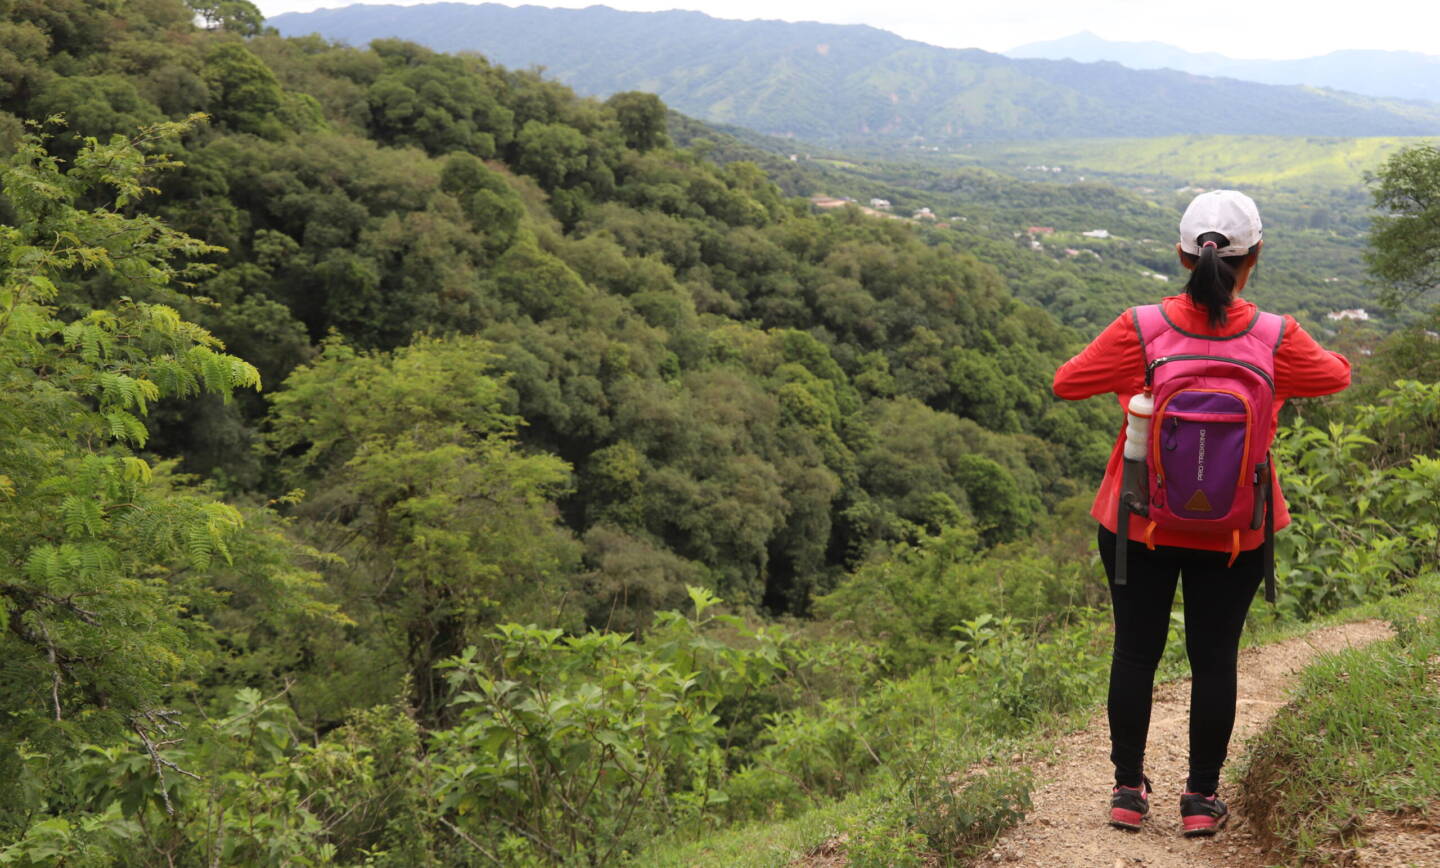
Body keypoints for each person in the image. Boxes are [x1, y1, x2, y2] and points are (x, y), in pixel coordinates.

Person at [1051, 190, 1350, 836]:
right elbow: (1337, 377)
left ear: (1182, 256)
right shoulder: (1276, 337)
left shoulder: (1141, 328)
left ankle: (1128, 793)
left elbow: (1066, 381)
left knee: (1135, 653)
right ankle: (1199, 802)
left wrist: (1142, 394)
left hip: (1140, 517)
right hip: (1237, 531)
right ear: (1255, 258)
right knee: (1215, 658)